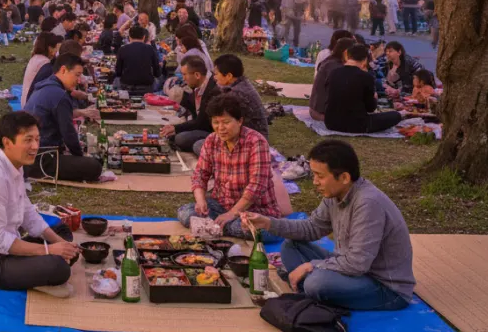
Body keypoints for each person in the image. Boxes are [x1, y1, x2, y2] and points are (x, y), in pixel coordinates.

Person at [242, 140, 413, 311]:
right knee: (291, 246)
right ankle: (311, 289)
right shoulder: (335, 194)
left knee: (316, 282)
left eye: (320, 176)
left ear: (344, 177)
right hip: (352, 270)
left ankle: (311, 289)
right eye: (314, 175)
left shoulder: (367, 203)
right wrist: (267, 222)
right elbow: (311, 228)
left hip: (384, 287)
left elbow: (357, 263)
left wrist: (311, 266)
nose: (315, 182)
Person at [0, 112, 79, 295]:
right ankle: (39, 275)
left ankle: (36, 271)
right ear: (7, 142)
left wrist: (60, 243)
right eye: (28, 140)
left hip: (8, 246)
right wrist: (48, 250)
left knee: (62, 232)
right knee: (59, 267)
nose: (35, 146)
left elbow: (28, 212)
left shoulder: (14, 165)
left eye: (37, 139)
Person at [177, 93, 280, 239]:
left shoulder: (256, 142)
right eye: (215, 122)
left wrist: (232, 214)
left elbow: (256, 186)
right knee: (186, 213)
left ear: (240, 121)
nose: (220, 128)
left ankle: (213, 227)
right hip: (221, 205)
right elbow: (200, 174)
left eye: (225, 122)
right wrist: (201, 200)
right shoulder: (212, 140)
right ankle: (218, 226)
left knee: (261, 231)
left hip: (254, 210)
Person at [22, 54, 103, 182]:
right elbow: (68, 133)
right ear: (63, 70)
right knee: (94, 166)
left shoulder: (45, 87)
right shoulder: (59, 95)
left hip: (27, 154)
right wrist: (79, 157)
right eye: (77, 75)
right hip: (41, 158)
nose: (79, 80)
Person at [324, 44, 404, 134]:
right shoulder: (366, 77)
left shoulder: (333, 72)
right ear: (365, 60)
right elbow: (370, 108)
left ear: (348, 57)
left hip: (330, 122)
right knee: (395, 115)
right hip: (357, 125)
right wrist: (374, 97)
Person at [160, 57, 220, 155]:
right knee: (175, 135)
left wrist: (176, 128)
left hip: (212, 130)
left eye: (184, 74)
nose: (183, 78)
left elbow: (201, 122)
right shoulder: (198, 85)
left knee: (181, 138)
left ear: (197, 75)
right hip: (203, 126)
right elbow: (194, 112)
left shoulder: (213, 90)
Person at [212, 54, 269, 136]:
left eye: (216, 74)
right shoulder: (240, 83)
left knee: (199, 143)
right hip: (243, 133)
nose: (215, 77)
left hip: (250, 140)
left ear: (229, 76)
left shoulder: (237, 93)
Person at [309, 38, 357, 122]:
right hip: (322, 113)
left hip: (317, 110)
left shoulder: (330, 61)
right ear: (346, 52)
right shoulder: (335, 67)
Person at [115, 26, 159, 95]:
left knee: (116, 81)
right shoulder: (150, 49)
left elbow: (118, 72)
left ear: (129, 37)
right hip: (147, 87)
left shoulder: (123, 49)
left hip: (127, 86)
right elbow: (157, 72)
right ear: (144, 37)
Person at [21, 32, 61, 105]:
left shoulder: (36, 57)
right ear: (50, 48)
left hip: (25, 101)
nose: (56, 51)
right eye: (55, 48)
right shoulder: (45, 64)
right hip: (31, 106)